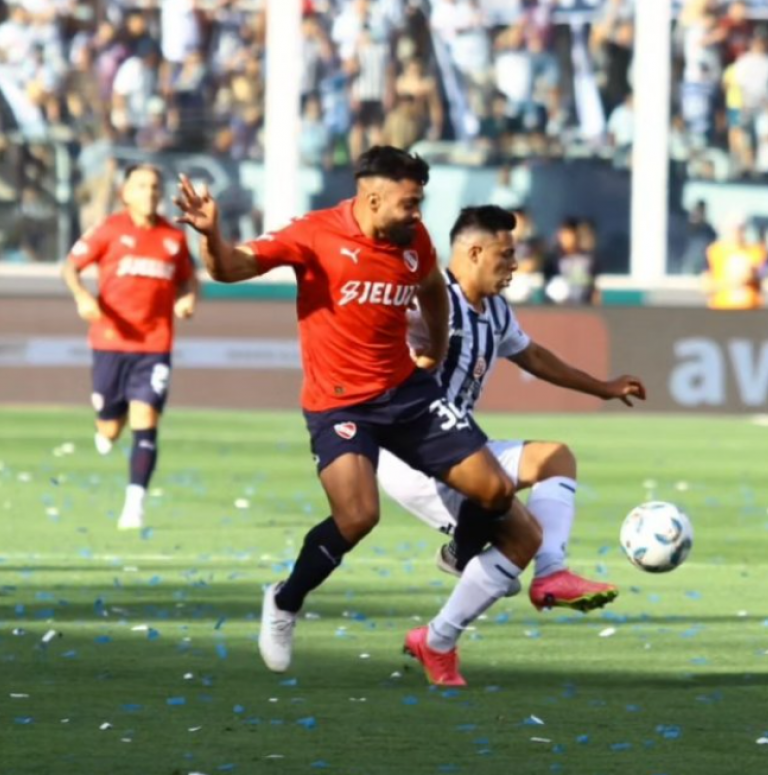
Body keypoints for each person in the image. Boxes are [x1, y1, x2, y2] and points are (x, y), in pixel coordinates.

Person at [171, 146, 541, 687]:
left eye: (421, 202)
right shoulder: (314, 235)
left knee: (494, 490)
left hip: (405, 392)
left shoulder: (413, 239)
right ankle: (285, 598)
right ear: (372, 196)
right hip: (339, 402)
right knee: (357, 516)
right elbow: (228, 269)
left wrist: (434, 350)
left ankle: (460, 554)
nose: (418, 214)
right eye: (409, 202)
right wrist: (210, 234)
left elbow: (434, 289)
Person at [378, 205, 646, 613]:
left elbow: (535, 357)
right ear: (473, 253)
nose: (516, 264)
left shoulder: (497, 311)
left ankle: (547, 572)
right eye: (505, 254)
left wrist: (602, 388)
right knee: (519, 541)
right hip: (416, 461)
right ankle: (452, 593)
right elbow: (379, 324)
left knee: (555, 459)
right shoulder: (431, 301)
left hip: (463, 450)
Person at [61, 164, 198, 531]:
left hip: (155, 345)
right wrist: (82, 297)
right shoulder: (109, 229)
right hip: (110, 341)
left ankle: (134, 503)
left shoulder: (174, 238)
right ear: (126, 193)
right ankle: (108, 423)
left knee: (146, 419)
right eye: (141, 186)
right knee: (109, 429)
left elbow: (188, 280)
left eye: (155, 186)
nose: (150, 192)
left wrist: (186, 300)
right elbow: (71, 267)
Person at [702, 214, 768, 310]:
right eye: (732, 228)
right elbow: (706, 285)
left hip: (750, 310)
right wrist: (731, 282)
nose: (736, 232)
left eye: (740, 228)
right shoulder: (714, 252)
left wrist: (753, 275)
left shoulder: (757, 251)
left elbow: (765, 274)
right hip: (722, 309)